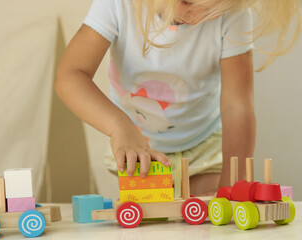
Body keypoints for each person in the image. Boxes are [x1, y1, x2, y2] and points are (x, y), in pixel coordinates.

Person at [55, 0, 301, 196]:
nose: (199, 16)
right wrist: (119, 127)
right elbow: (71, 76)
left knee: (204, 219)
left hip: (203, 145)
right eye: (187, 3)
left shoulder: (235, 12)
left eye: (213, 10)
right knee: (149, 219)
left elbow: (237, 107)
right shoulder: (117, 4)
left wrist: (233, 184)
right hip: (138, 146)